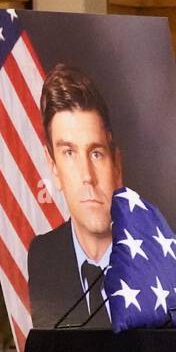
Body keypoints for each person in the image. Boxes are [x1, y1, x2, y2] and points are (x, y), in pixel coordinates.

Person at [27, 64, 123, 329]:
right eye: (69, 153)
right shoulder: (42, 255)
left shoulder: (158, 258)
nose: (87, 176)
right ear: (54, 167)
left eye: (96, 153)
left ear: (116, 163)